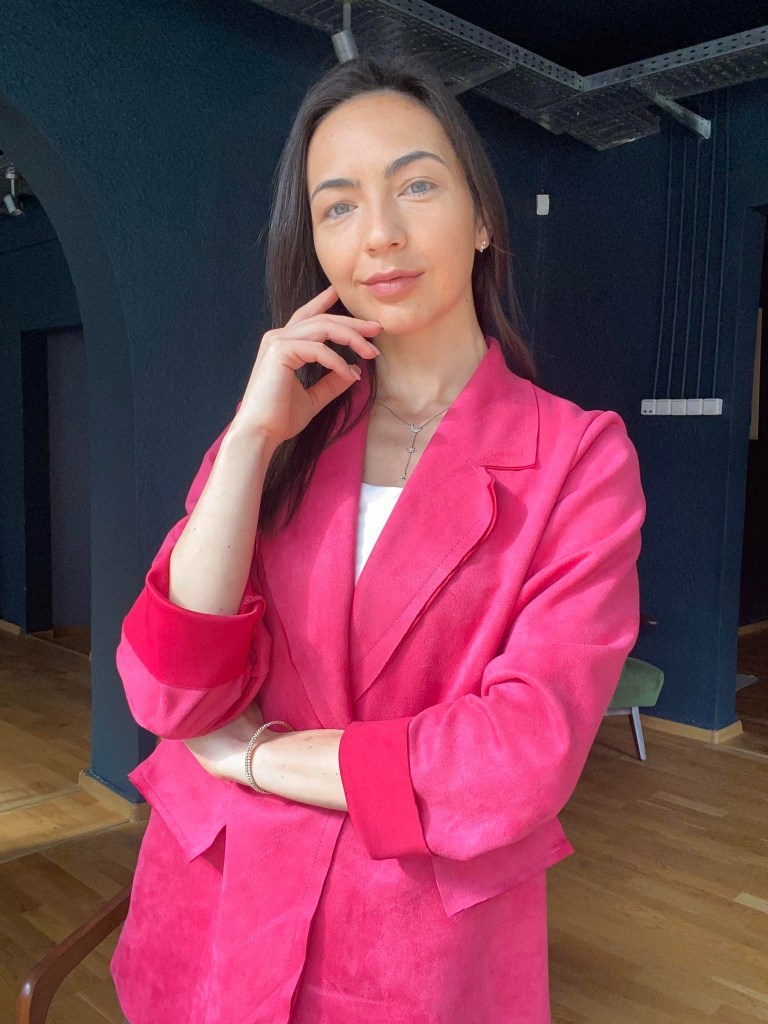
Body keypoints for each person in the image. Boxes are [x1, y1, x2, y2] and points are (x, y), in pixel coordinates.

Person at [111, 54, 646, 1024]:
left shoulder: (577, 459)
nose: (381, 234)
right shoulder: (280, 431)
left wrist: (259, 757)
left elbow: (520, 755)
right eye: (339, 205)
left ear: (482, 218)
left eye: (417, 185)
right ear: (315, 243)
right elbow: (169, 693)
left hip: (410, 947)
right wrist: (249, 439)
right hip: (213, 916)